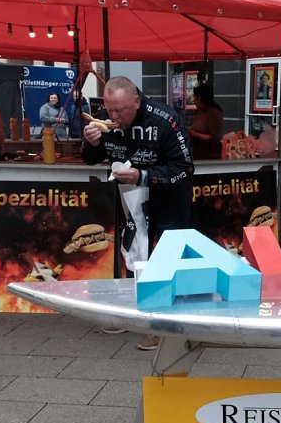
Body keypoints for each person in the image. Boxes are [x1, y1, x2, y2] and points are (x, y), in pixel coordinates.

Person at [82, 76, 194, 350]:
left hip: (168, 198)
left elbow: (185, 167)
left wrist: (143, 175)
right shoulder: (101, 120)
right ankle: (130, 314)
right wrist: (91, 143)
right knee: (132, 254)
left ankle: (160, 324)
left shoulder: (165, 119)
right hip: (129, 198)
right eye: (109, 109)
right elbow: (90, 159)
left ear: (136, 100)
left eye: (120, 110)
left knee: (162, 260)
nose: (114, 116)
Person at [188, 83, 223, 160]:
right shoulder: (199, 112)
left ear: (199, 98)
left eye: (194, 97)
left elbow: (215, 138)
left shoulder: (214, 113)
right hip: (197, 153)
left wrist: (194, 133)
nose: (193, 100)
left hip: (209, 155)